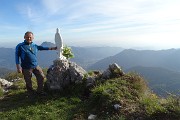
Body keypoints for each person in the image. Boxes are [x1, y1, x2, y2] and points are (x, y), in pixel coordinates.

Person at [15, 31, 57, 96]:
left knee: (41, 77)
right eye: (27, 37)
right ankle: (31, 93)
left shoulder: (34, 45)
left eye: (30, 37)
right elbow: (16, 56)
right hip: (26, 67)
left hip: (35, 65)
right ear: (24, 37)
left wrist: (53, 48)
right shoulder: (20, 46)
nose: (29, 38)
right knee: (28, 81)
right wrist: (18, 66)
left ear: (33, 38)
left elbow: (42, 48)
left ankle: (40, 91)